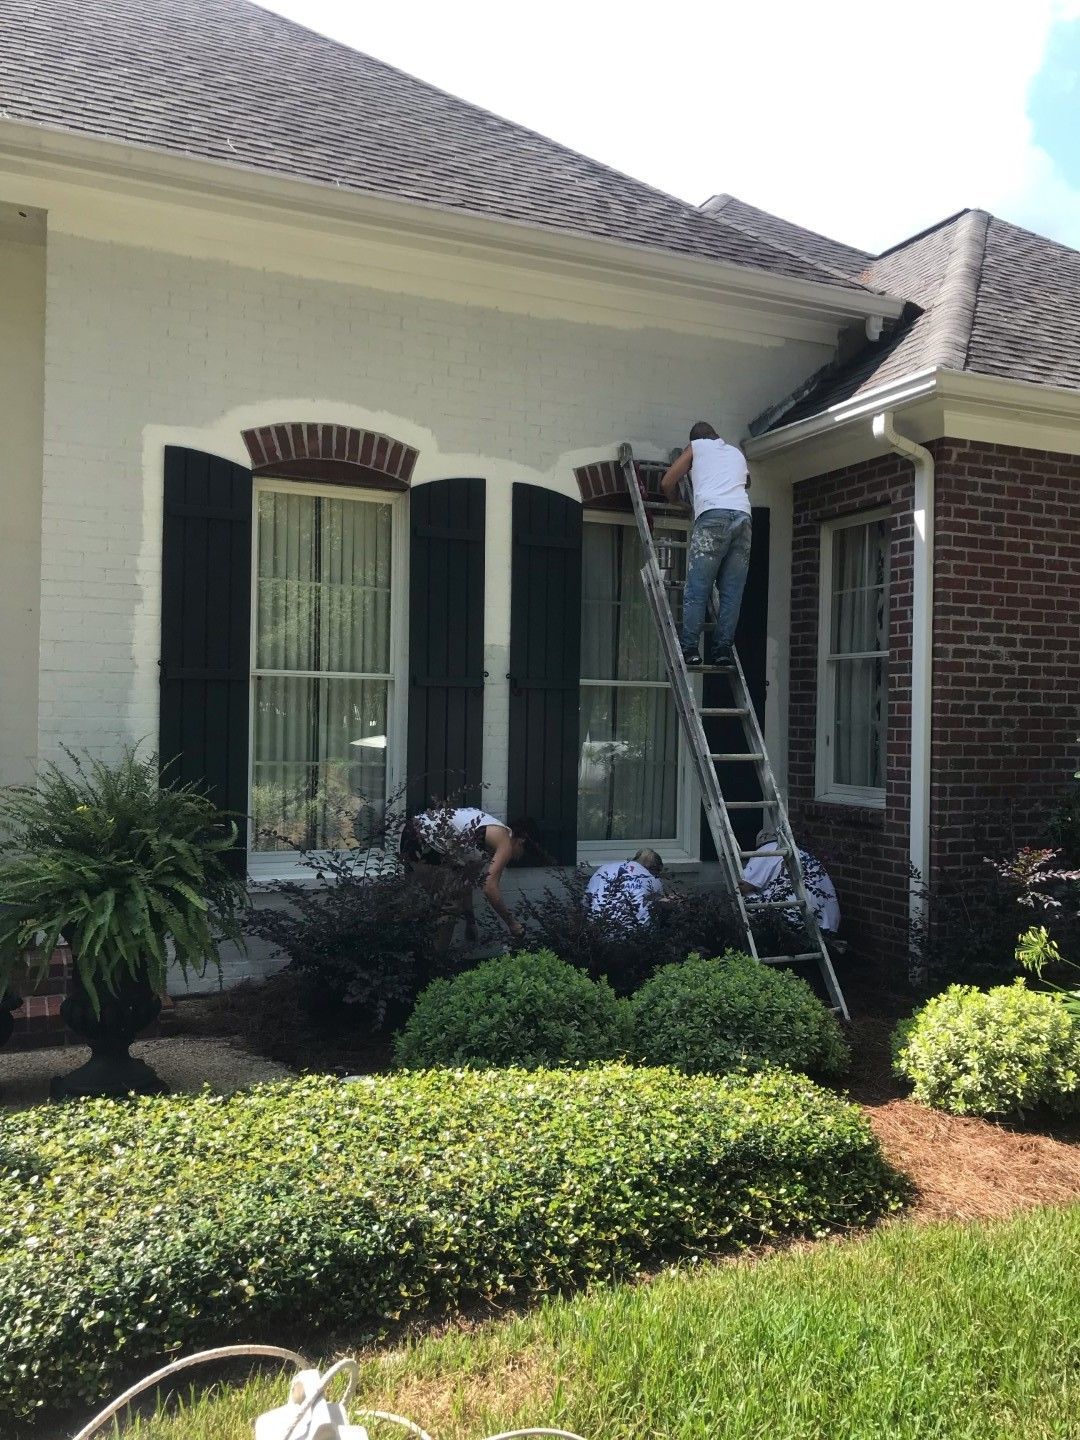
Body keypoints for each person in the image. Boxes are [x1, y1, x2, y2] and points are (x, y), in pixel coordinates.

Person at [660, 421, 752, 669]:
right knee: (731, 592)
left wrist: (678, 501)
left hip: (713, 517)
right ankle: (722, 650)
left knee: (698, 588)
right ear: (717, 436)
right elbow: (747, 482)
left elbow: (667, 482)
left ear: (695, 440)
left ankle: (690, 648)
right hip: (743, 519)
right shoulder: (735, 452)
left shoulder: (697, 447)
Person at [401, 805, 539, 944]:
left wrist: (470, 921)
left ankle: (424, 953)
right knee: (449, 905)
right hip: (423, 837)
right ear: (521, 841)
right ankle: (437, 960)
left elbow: (466, 886)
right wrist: (512, 924)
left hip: (417, 833)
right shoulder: (504, 840)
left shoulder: (484, 843)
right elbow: (490, 888)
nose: (517, 859)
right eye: (522, 855)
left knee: (437, 902)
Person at [740, 828, 840, 934]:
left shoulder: (766, 850)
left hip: (794, 920)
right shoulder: (804, 854)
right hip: (829, 923)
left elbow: (743, 885)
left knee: (743, 893)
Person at [584, 849, 665, 929]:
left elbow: (585, 902)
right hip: (633, 935)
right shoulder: (652, 879)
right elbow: (659, 908)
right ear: (653, 868)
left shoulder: (603, 869)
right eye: (658, 872)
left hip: (596, 930)